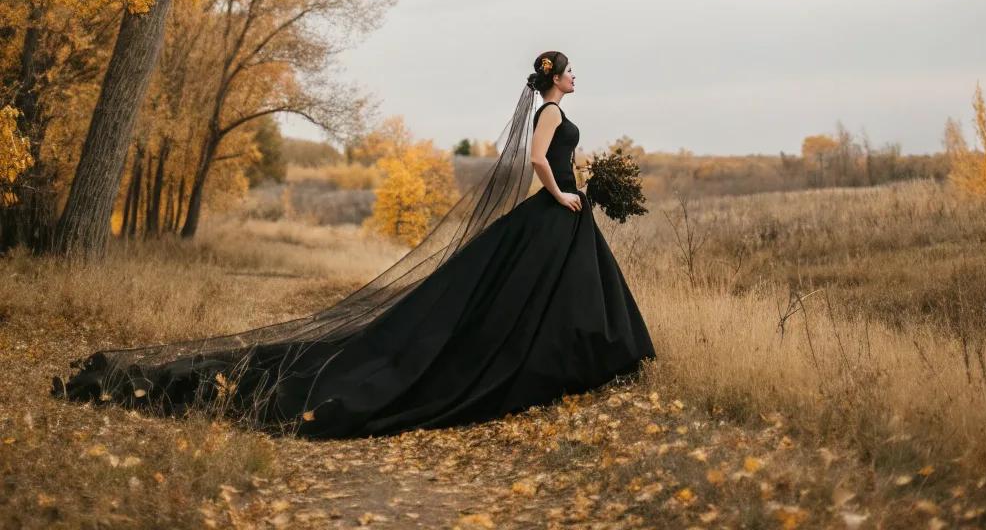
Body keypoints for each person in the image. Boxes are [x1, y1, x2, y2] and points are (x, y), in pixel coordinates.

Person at [53, 50, 656, 437]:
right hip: (556, 210)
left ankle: (590, 361)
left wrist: (591, 184)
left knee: (564, 291)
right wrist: (561, 194)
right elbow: (535, 161)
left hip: (568, 211)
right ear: (552, 77)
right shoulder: (549, 112)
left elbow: (560, 159)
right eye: (571, 69)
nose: (577, 76)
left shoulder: (558, 111)